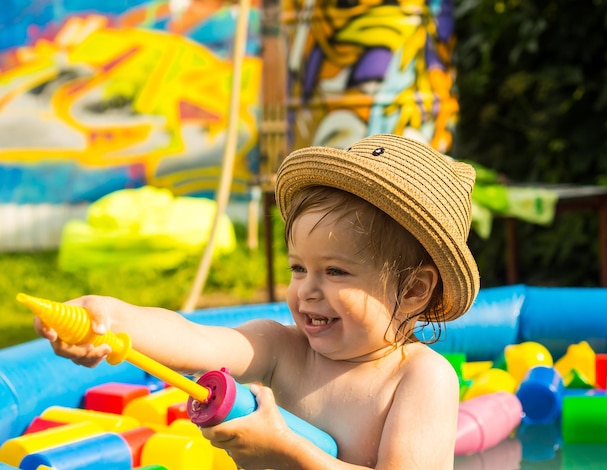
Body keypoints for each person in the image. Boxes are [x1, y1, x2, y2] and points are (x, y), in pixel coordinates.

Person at [35, 133, 480, 469]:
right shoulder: (282, 349)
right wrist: (113, 317)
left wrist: (287, 450)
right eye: (298, 268)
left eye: (336, 272)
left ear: (415, 290)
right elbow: (192, 340)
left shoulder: (420, 378)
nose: (307, 289)